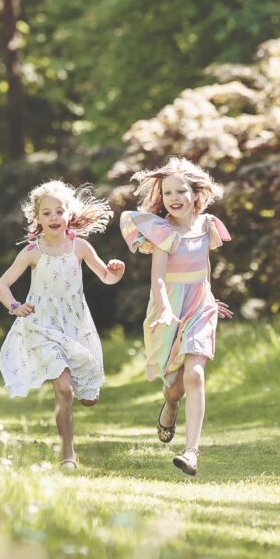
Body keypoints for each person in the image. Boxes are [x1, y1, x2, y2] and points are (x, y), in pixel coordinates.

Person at [0, 180, 126, 469]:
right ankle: (68, 454)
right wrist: (16, 306)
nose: (54, 217)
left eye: (59, 211)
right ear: (37, 218)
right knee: (64, 388)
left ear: (69, 213)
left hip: (76, 327)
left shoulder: (80, 247)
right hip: (41, 327)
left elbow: (106, 277)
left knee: (88, 398)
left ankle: (87, 391)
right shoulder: (32, 252)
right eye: (46, 213)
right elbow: (1, 285)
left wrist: (116, 271)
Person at [120, 157, 233, 476]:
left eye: (180, 190)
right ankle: (170, 405)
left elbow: (204, 267)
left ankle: (191, 451)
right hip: (167, 306)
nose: (174, 198)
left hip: (200, 305)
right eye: (167, 192)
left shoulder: (207, 225)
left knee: (195, 373)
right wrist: (167, 308)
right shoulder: (162, 231)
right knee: (174, 387)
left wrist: (211, 296)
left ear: (195, 193)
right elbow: (157, 278)